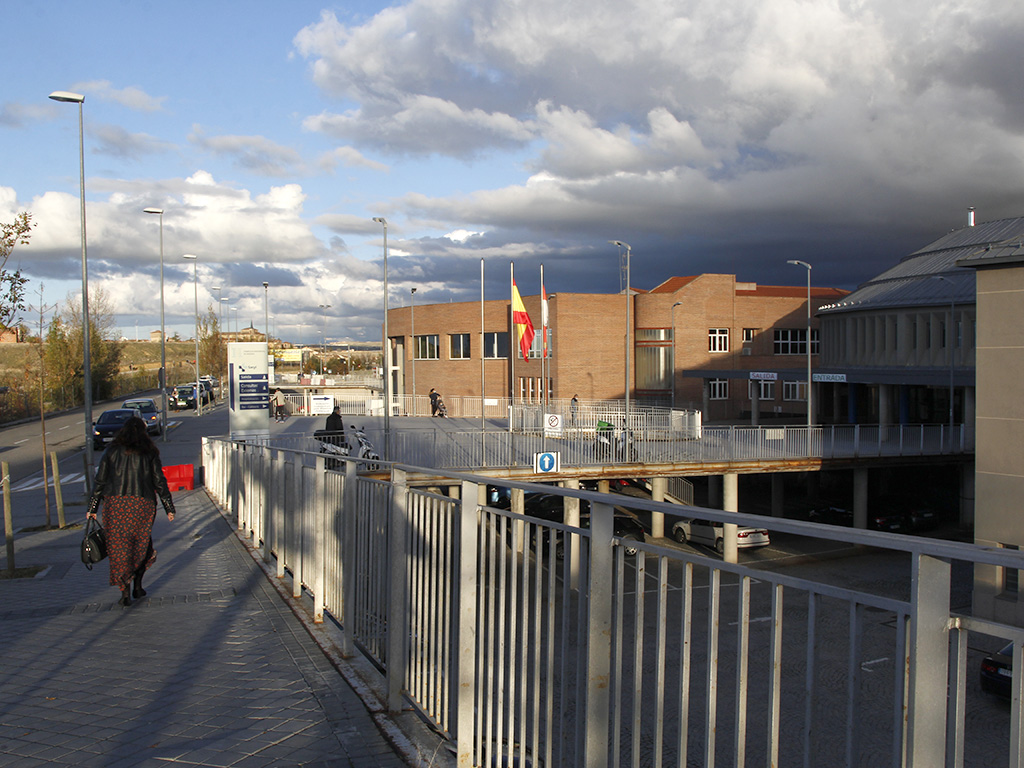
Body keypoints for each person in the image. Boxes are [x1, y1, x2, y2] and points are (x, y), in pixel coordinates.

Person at [86, 416, 176, 607]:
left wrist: (93, 508)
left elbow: (100, 481)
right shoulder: (149, 452)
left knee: (119, 547)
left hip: (116, 505)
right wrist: (168, 507)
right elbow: (159, 481)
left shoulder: (111, 451)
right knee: (141, 544)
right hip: (141, 505)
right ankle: (138, 585)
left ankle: (124, 591)